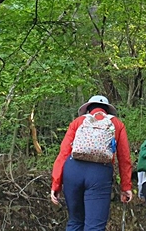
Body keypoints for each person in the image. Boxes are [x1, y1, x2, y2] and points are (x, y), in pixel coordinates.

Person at [51, 95, 133, 231]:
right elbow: (124, 158)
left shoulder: (78, 122)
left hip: (73, 170)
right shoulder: (117, 124)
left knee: (75, 221)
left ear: (88, 109)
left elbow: (64, 153)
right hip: (99, 173)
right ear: (108, 110)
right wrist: (126, 187)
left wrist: (56, 183)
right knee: (94, 227)